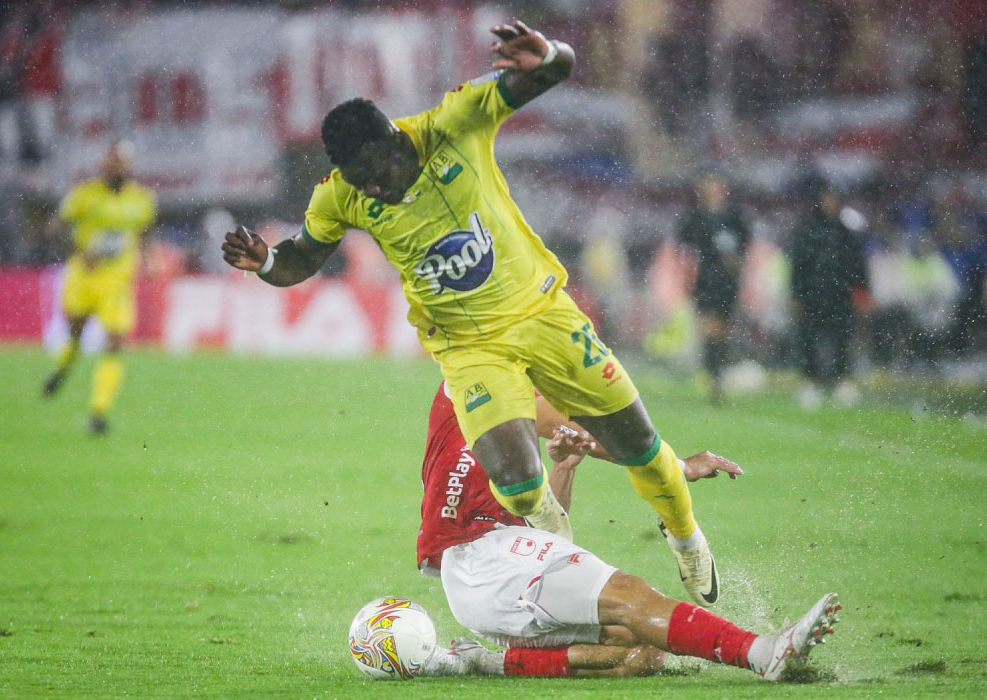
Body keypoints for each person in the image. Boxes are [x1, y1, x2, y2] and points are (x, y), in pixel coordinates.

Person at [222, 19, 721, 607]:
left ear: (395, 139)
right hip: (466, 346)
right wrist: (266, 262)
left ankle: (687, 540)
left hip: (541, 312)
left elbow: (551, 71)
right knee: (514, 477)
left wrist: (552, 52)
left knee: (641, 447)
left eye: (378, 175)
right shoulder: (341, 192)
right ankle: (560, 548)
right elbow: (301, 257)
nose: (373, 192)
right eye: (361, 184)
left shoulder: (454, 123)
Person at [414, 383, 840, 679]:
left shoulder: (513, 435)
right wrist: (676, 468)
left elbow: (550, 533)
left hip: (491, 575)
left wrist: (563, 467)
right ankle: (762, 653)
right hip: (476, 557)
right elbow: (592, 429)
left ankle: (482, 663)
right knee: (633, 598)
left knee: (646, 650)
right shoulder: (474, 377)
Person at [41, 141, 157, 435]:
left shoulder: (142, 199)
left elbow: (144, 232)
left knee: (115, 341)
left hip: (117, 281)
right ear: (104, 165)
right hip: (84, 277)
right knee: (76, 333)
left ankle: (98, 412)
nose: (117, 167)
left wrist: (147, 260)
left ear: (129, 167)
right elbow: (55, 228)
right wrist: (79, 252)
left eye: (122, 163)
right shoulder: (84, 195)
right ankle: (63, 368)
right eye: (112, 162)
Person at [789, 181, 871, 410]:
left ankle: (842, 380)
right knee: (809, 340)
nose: (829, 204)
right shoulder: (807, 231)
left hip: (840, 295)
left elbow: (858, 265)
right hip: (812, 295)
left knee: (842, 339)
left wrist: (864, 291)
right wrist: (796, 293)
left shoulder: (846, 233)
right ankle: (811, 382)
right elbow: (798, 265)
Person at [676, 174, 752, 403]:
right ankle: (715, 378)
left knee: (723, 331)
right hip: (705, 279)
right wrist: (688, 274)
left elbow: (747, 245)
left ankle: (718, 373)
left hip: (728, 282)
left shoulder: (735, 216)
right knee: (710, 328)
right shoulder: (694, 218)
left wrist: (738, 262)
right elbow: (683, 250)